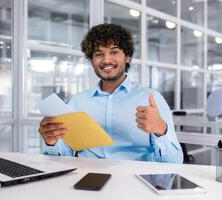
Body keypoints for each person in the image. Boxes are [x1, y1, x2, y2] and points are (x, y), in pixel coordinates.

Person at [38, 23, 183, 163]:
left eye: (114, 52)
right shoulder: (78, 102)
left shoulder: (151, 99)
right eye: (99, 54)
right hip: (85, 180)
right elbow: (61, 158)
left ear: (127, 57)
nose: (106, 60)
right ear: (92, 60)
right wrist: (51, 142)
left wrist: (160, 130)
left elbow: (175, 162)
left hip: (133, 182)